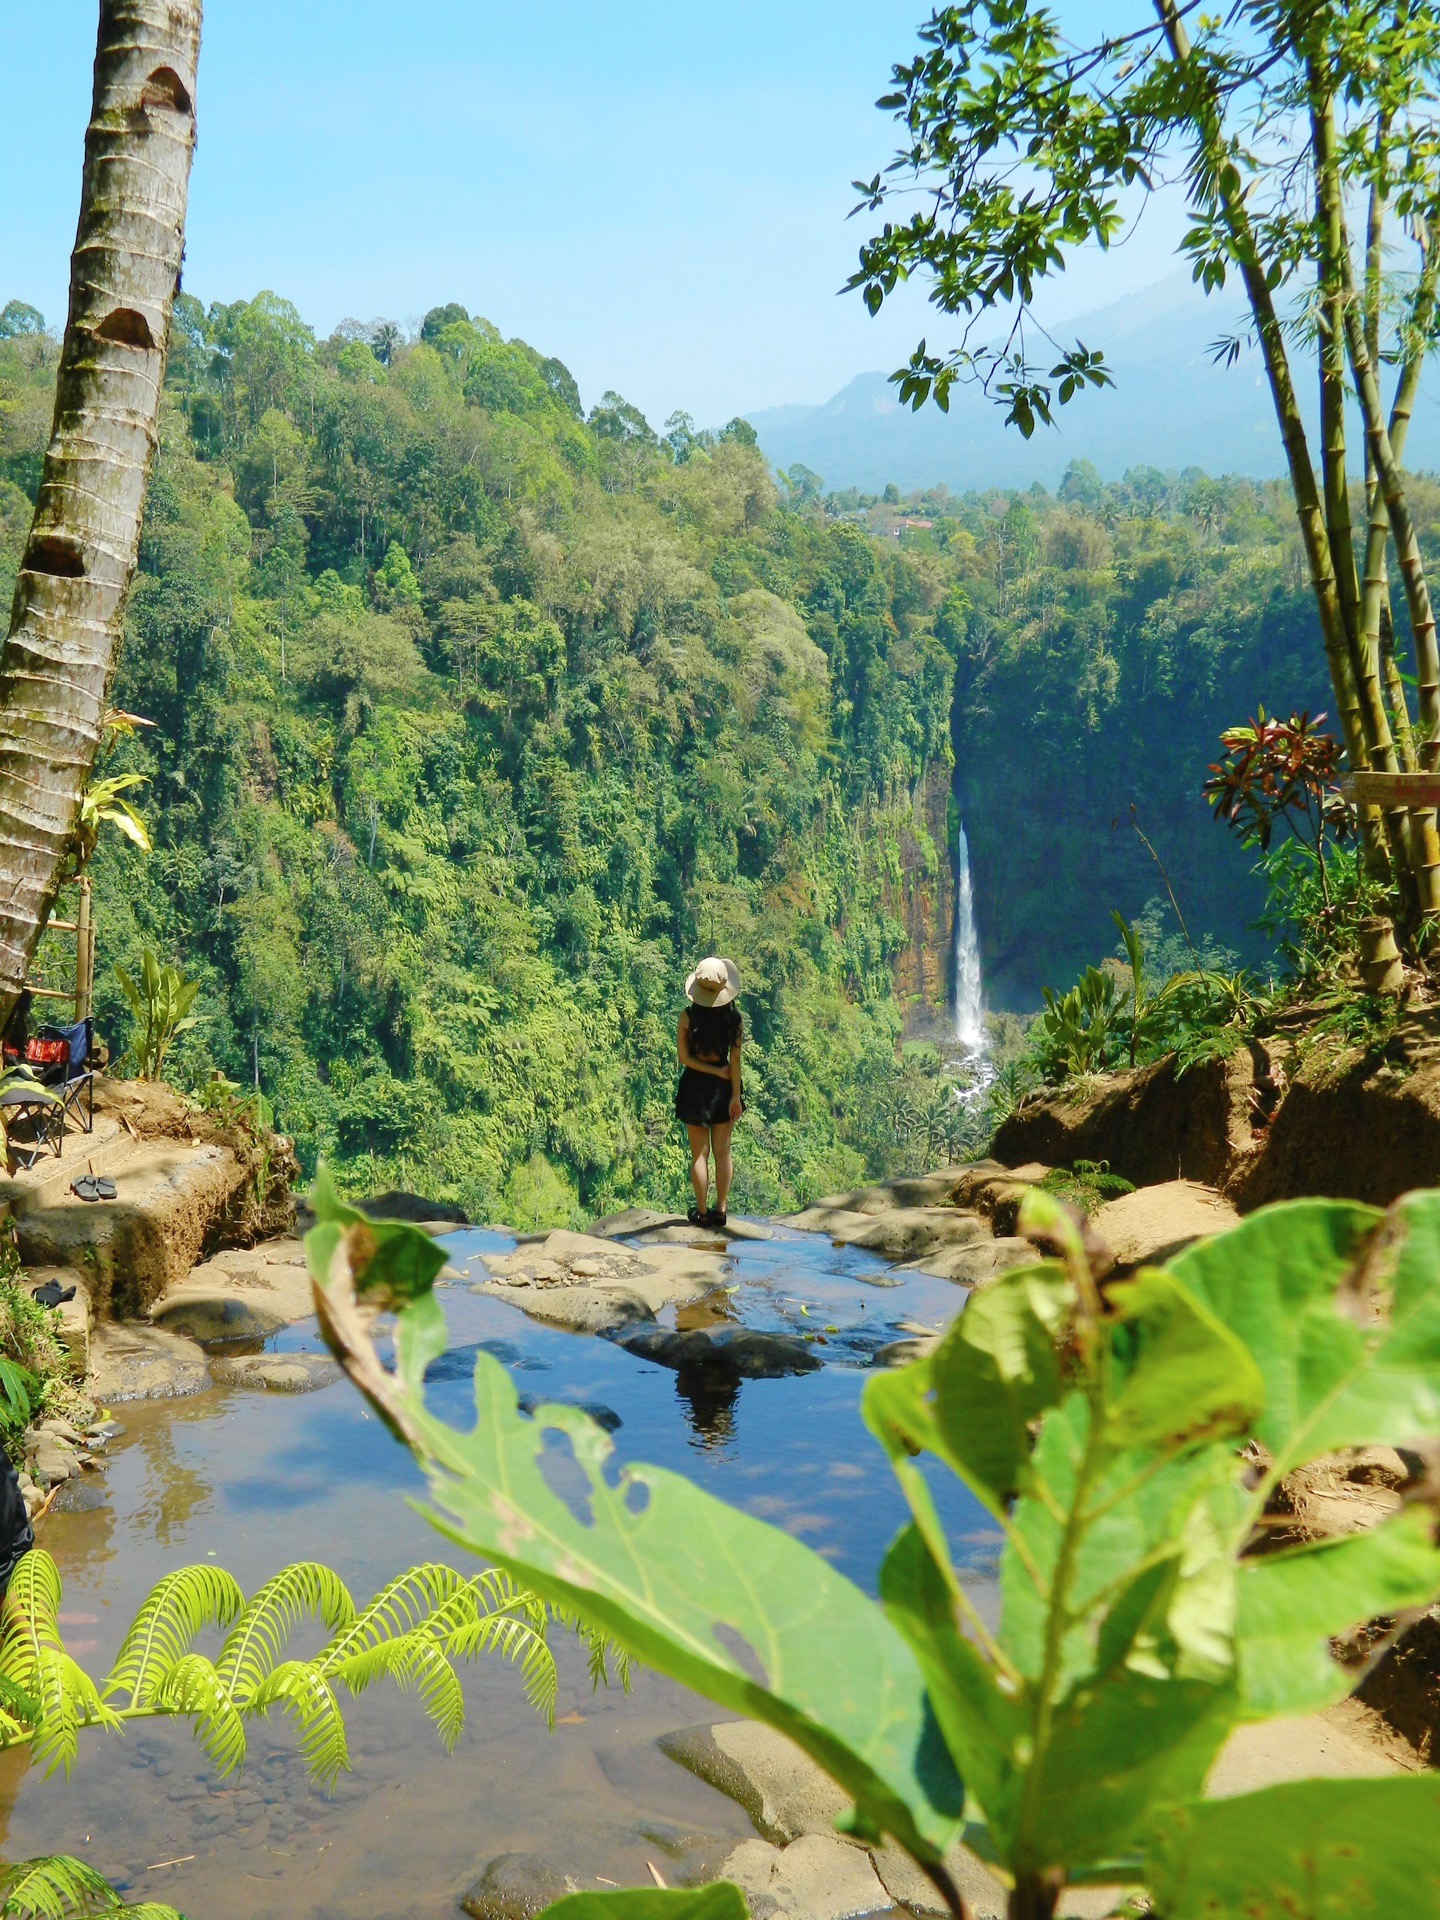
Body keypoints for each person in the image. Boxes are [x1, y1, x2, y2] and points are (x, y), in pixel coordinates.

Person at [675, 956, 743, 1230]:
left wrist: (710, 1072)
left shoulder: (687, 1017)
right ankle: (721, 1210)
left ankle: (702, 1213)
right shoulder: (734, 1019)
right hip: (723, 1088)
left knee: (699, 1155)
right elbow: (735, 1062)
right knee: (723, 1153)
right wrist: (735, 1095)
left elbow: (684, 1058)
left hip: (695, 1088)